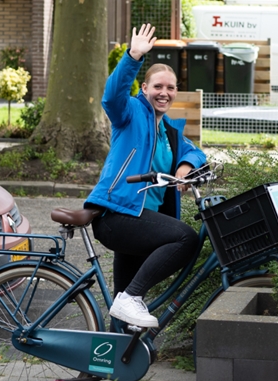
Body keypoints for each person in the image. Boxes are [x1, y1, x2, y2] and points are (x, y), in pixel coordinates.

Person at [85, 22, 206, 333]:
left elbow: (195, 153)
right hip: (118, 214)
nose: (164, 93)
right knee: (186, 238)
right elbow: (111, 97)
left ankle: (120, 362)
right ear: (144, 89)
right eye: (158, 87)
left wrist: (184, 167)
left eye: (170, 88)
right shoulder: (130, 114)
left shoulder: (170, 131)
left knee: (124, 312)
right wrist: (133, 57)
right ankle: (132, 297)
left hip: (142, 220)